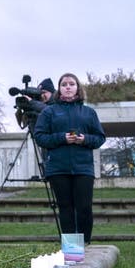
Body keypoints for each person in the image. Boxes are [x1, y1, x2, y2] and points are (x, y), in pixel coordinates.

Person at [33, 73, 106, 245]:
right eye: (64, 84)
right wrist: (62, 138)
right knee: (65, 208)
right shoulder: (49, 112)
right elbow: (40, 137)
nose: (67, 87)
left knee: (84, 208)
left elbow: (100, 138)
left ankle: (85, 244)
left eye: (71, 84)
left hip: (83, 168)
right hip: (58, 168)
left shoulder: (89, 112)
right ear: (59, 89)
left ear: (77, 88)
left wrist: (85, 140)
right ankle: (71, 248)